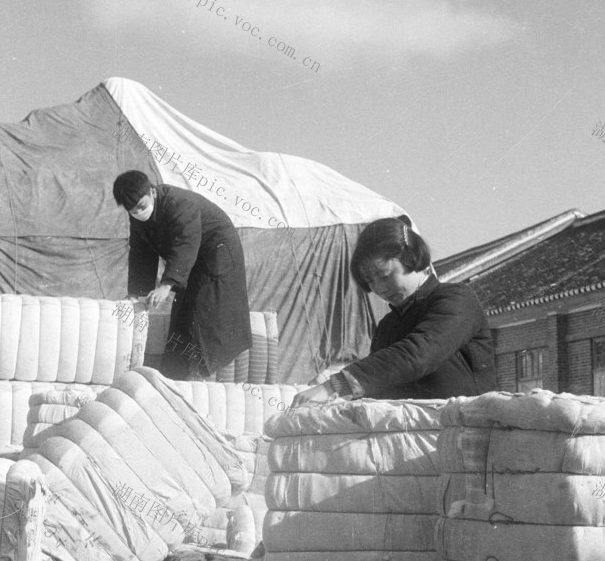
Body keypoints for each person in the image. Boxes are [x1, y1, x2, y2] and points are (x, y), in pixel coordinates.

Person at [292, 215, 497, 405]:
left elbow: (419, 353)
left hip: (465, 428)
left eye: (385, 276)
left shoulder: (457, 299)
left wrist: (334, 386)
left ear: (412, 259)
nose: (379, 289)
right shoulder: (387, 327)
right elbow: (378, 394)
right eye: (370, 281)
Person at [113, 170, 252, 379]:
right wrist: (135, 293)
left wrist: (167, 285)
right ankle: (177, 376)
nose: (138, 213)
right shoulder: (138, 218)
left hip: (216, 255)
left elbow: (185, 244)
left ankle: (202, 375)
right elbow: (141, 252)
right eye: (132, 211)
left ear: (152, 191)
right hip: (191, 263)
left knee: (206, 314)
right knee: (183, 316)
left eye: (141, 206)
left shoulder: (180, 205)